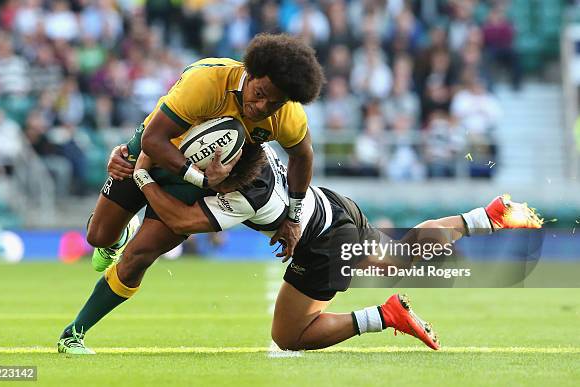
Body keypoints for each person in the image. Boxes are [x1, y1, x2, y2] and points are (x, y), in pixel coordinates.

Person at [57, 143, 543, 354]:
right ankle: (485, 216)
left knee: (289, 337)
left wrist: (141, 174)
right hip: (333, 208)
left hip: (324, 244)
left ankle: (381, 316)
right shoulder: (250, 152)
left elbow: (183, 219)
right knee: (400, 256)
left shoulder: (247, 195)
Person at [88, 33, 325, 273]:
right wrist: (199, 178)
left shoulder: (288, 117)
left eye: (274, 103)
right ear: (249, 74)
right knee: (98, 237)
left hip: (199, 171)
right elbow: (153, 138)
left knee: (138, 256)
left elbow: (303, 157)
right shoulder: (208, 79)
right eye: (260, 94)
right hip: (155, 148)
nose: (262, 107)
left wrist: (294, 218)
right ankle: (120, 236)